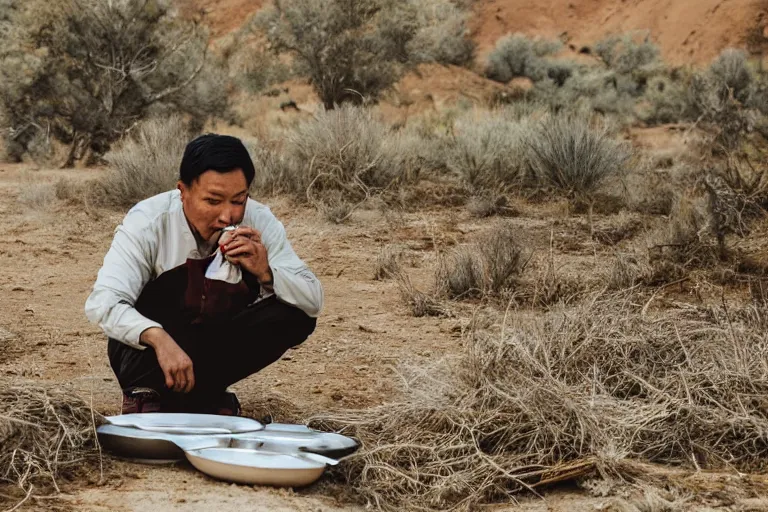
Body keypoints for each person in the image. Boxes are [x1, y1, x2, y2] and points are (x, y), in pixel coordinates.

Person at [85, 134, 323, 416]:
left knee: (294, 315)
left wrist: (266, 272)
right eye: (212, 200)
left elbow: (312, 299)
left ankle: (204, 392)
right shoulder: (148, 221)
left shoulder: (259, 219)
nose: (228, 216)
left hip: (212, 342)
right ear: (182, 191)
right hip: (146, 357)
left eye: (239, 200)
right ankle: (156, 395)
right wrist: (158, 338)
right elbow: (104, 303)